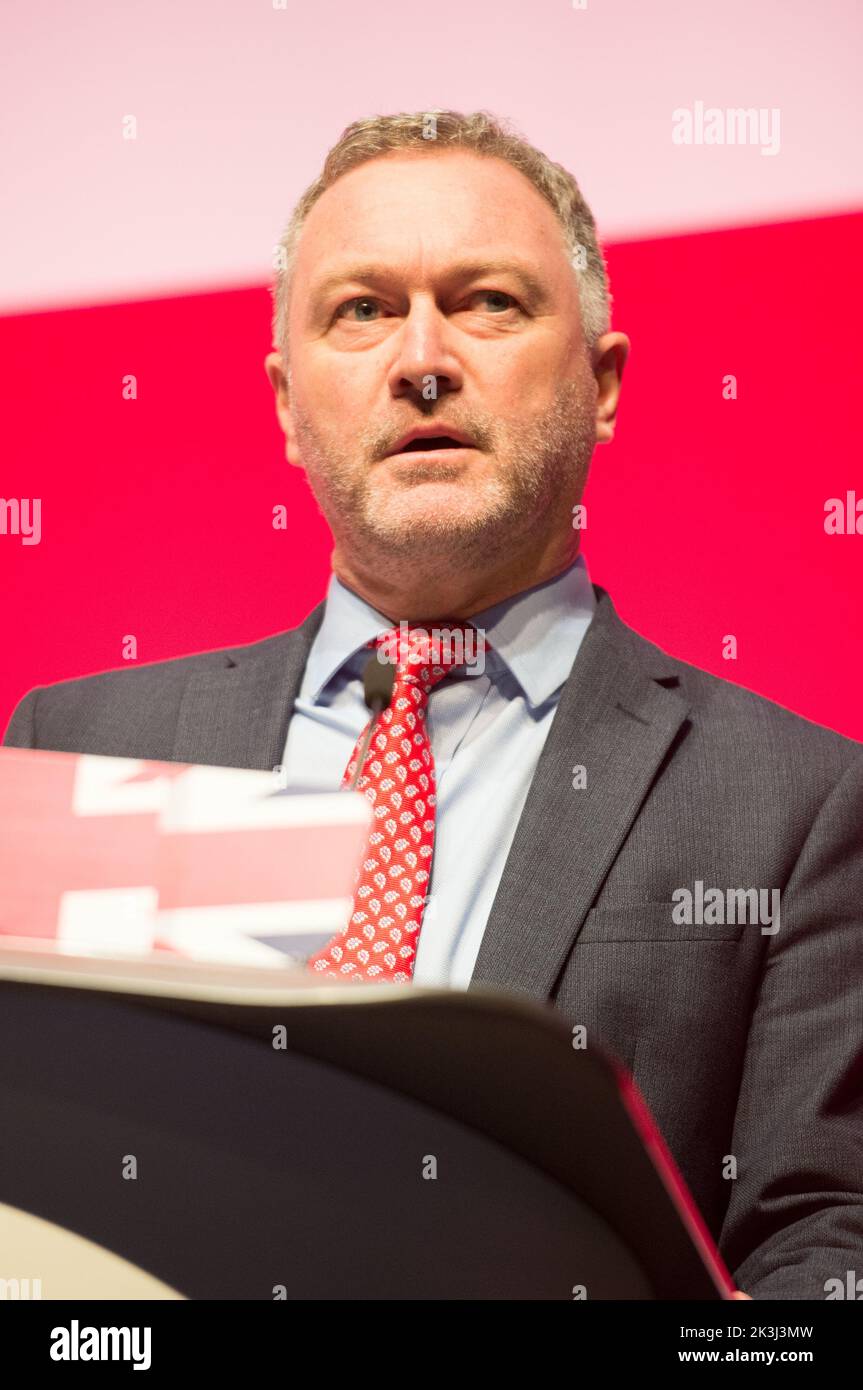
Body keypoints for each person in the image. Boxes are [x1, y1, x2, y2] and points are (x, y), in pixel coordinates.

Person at [4, 111, 861, 1300]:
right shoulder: (77, 747)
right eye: (359, 309)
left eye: (488, 302)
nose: (420, 357)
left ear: (603, 383)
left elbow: (822, 1252)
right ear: (284, 405)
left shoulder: (797, 803)